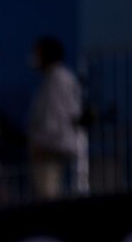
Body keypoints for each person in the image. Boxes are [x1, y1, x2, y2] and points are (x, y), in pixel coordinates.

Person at [27, 35, 87, 199]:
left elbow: (56, 117)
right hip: (50, 144)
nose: (34, 57)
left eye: (37, 53)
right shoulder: (53, 79)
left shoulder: (58, 79)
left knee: (48, 192)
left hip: (51, 146)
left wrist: (40, 141)